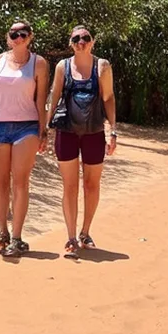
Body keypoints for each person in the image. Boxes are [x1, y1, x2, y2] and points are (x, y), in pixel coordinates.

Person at [0, 20, 51, 257]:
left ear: (30, 37)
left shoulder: (38, 63)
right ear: (8, 37)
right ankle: (2, 232)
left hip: (26, 127)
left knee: (20, 181)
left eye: (23, 34)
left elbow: (40, 100)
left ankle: (17, 237)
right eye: (14, 34)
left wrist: (43, 131)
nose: (18, 38)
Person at [46, 24, 117, 259]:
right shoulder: (62, 67)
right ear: (70, 43)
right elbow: (55, 95)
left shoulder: (102, 66)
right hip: (66, 132)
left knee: (91, 184)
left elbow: (108, 98)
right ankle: (70, 237)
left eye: (85, 38)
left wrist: (113, 130)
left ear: (93, 41)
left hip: (94, 132)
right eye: (76, 39)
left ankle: (85, 232)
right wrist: (45, 128)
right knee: (70, 185)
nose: (81, 42)